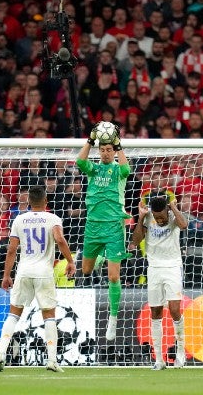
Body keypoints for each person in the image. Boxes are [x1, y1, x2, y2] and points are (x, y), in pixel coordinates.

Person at [0, 186, 75, 373]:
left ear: (29, 202)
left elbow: (12, 250)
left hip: (23, 272)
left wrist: (6, 275)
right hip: (44, 273)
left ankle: (1, 354)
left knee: (14, 314)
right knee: (49, 316)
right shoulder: (53, 219)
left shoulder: (19, 219)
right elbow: (60, 239)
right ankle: (52, 360)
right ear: (46, 201)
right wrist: (70, 261)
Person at [77, 122, 131, 342]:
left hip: (114, 226)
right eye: (103, 149)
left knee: (113, 276)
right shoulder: (94, 169)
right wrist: (90, 141)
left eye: (109, 150)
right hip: (93, 226)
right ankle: (101, 257)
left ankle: (113, 318)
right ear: (99, 151)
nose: (106, 153)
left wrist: (119, 146)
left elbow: (127, 169)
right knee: (87, 270)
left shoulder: (118, 170)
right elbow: (80, 161)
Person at [131, 194, 188, 370]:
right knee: (155, 311)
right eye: (157, 217)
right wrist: (141, 218)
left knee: (174, 309)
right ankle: (159, 359)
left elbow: (184, 225)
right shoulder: (148, 216)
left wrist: (174, 208)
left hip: (172, 267)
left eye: (162, 216)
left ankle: (180, 351)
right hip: (154, 268)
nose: (160, 219)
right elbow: (135, 240)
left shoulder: (173, 215)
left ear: (167, 210)